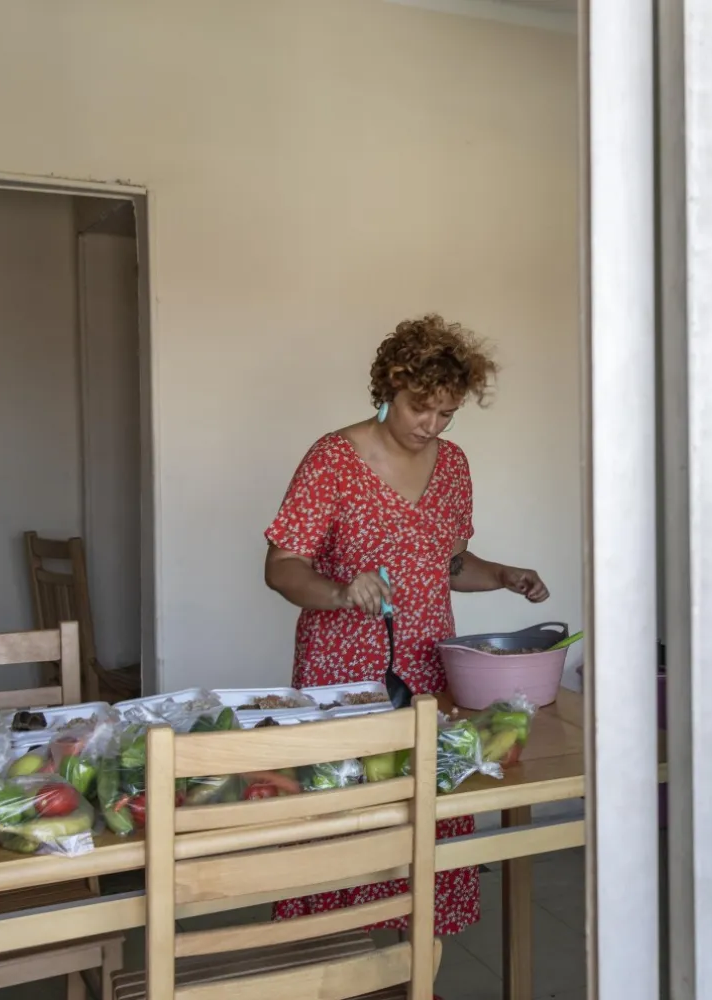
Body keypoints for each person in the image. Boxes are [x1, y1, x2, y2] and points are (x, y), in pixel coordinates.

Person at [263, 313, 549, 942]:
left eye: (447, 413)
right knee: (346, 818)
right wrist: (341, 590)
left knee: (426, 819)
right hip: (343, 679)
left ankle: (412, 971)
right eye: (422, 407)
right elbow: (282, 568)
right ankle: (334, 972)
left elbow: (445, 564)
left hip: (425, 672)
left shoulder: (454, 467)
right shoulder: (333, 459)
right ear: (389, 386)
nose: (432, 425)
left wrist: (503, 574)